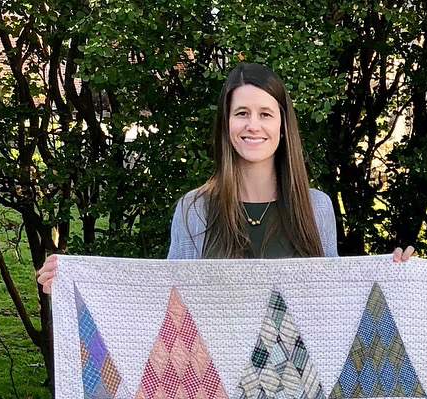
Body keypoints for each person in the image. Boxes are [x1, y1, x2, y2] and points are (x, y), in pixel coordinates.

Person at [38, 62, 337, 291]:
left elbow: (335, 301)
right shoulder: (196, 209)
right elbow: (170, 300)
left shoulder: (316, 209)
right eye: (242, 113)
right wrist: (76, 284)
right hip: (212, 358)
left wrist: (376, 279)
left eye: (266, 114)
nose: (253, 125)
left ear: (283, 125)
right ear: (226, 124)